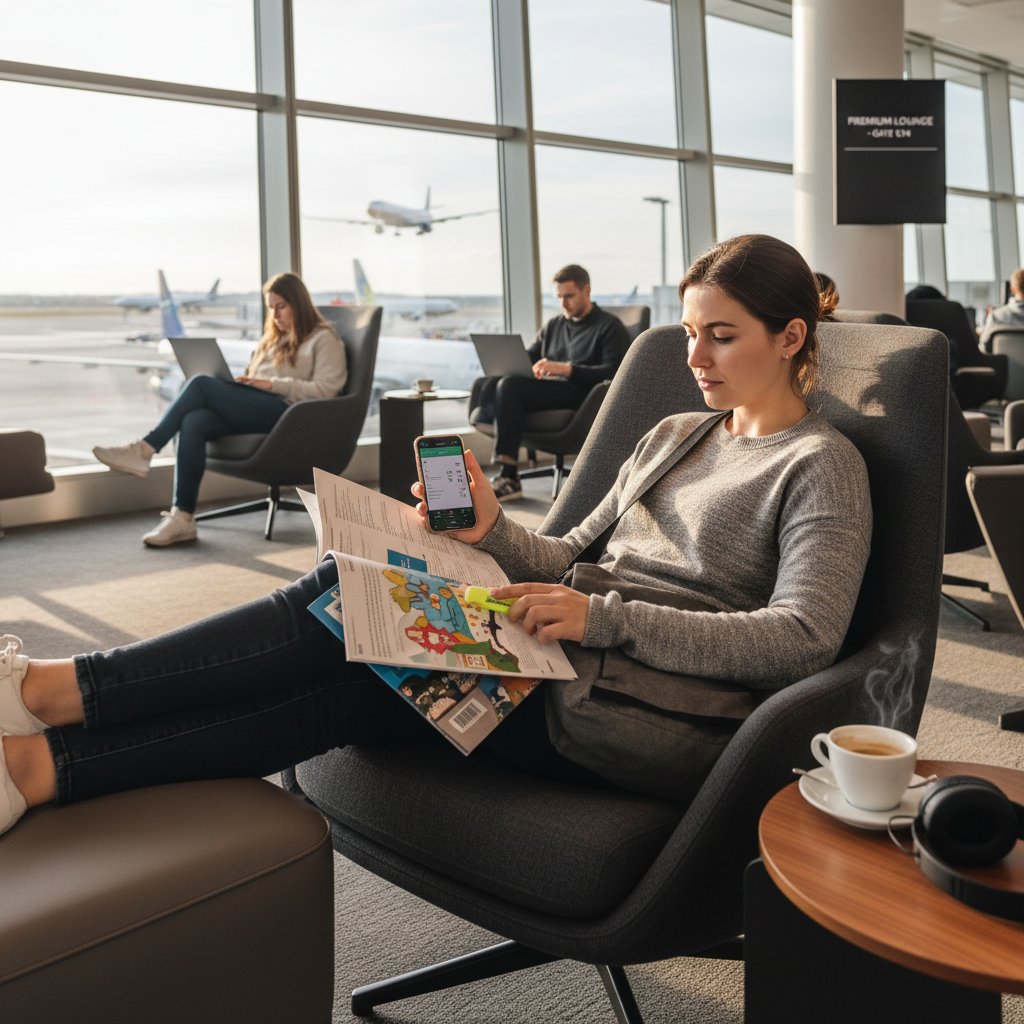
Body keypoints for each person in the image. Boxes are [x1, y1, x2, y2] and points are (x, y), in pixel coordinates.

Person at [0, 234, 872, 836]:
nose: (695, 358)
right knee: (352, 624)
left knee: (352, 636)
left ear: (791, 336)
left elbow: (802, 639)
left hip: (645, 707)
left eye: (721, 337)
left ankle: (50, 698)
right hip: (558, 648)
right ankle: (42, 765)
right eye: (688, 333)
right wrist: (493, 529)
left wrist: (604, 620)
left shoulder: (821, 464)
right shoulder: (676, 435)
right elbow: (573, 561)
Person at [92, 273, 347, 547]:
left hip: (289, 416)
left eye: (281, 306)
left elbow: (326, 389)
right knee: (195, 420)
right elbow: (255, 376)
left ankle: (144, 449)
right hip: (258, 407)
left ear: (299, 304)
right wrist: (243, 383)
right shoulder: (272, 340)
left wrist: (271, 384)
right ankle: (183, 517)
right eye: (270, 307)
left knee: (201, 384)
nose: (274, 314)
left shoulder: (324, 339)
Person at [473, 264, 630, 502]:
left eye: (569, 296)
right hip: (551, 390)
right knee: (493, 383)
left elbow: (615, 371)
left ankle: (509, 475)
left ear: (586, 291)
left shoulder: (608, 326)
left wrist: (568, 369)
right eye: (559, 297)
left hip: (583, 395)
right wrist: (510, 361)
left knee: (509, 387)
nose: (563, 303)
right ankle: (491, 424)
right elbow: (530, 356)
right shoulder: (554, 325)